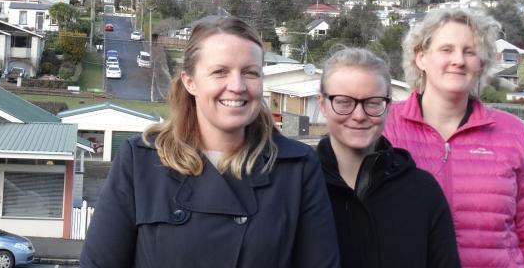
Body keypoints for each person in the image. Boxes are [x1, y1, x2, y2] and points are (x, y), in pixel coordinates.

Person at [80, 17, 340, 268]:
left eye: (250, 73)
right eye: (220, 72)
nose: (237, 86)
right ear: (190, 82)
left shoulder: (297, 167)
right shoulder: (141, 161)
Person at [383, 8, 524, 268]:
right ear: (421, 57)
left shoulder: (516, 136)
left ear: (481, 63)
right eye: (447, 49)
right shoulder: (384, 129)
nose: (459, 60)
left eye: (469, 52)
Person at [317, 47, 460, 268]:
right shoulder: (298, 185)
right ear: (322, 104)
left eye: (373, 103)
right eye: (344, 102)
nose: (359, 116)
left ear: (388, 106)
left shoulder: (422, 191)